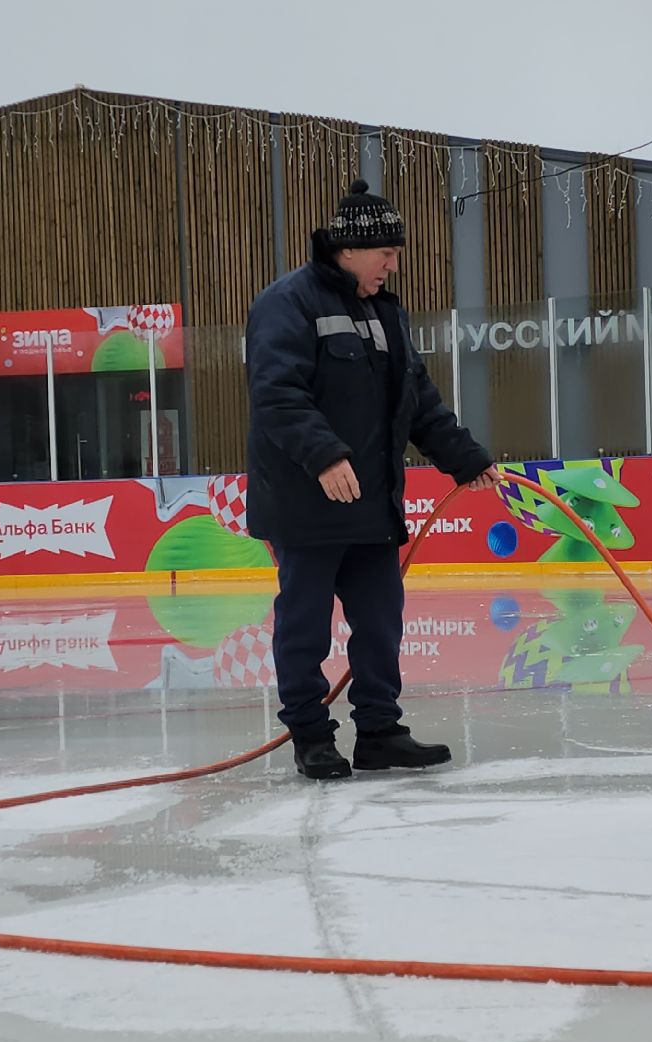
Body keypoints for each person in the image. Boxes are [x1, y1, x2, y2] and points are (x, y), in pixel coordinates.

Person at [245, 179, 502, 780]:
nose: (393, 264)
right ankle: (310, 734)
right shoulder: (288, 303)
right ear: (349, 250)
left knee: (382, 620)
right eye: (385, 253)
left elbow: (417, 400)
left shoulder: (385, 312)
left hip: (370, 507)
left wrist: (465, 457)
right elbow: (277, 394)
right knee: (305, 624)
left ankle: (380, 731)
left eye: (395, 254)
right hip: (308, 501)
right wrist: (326, 456)